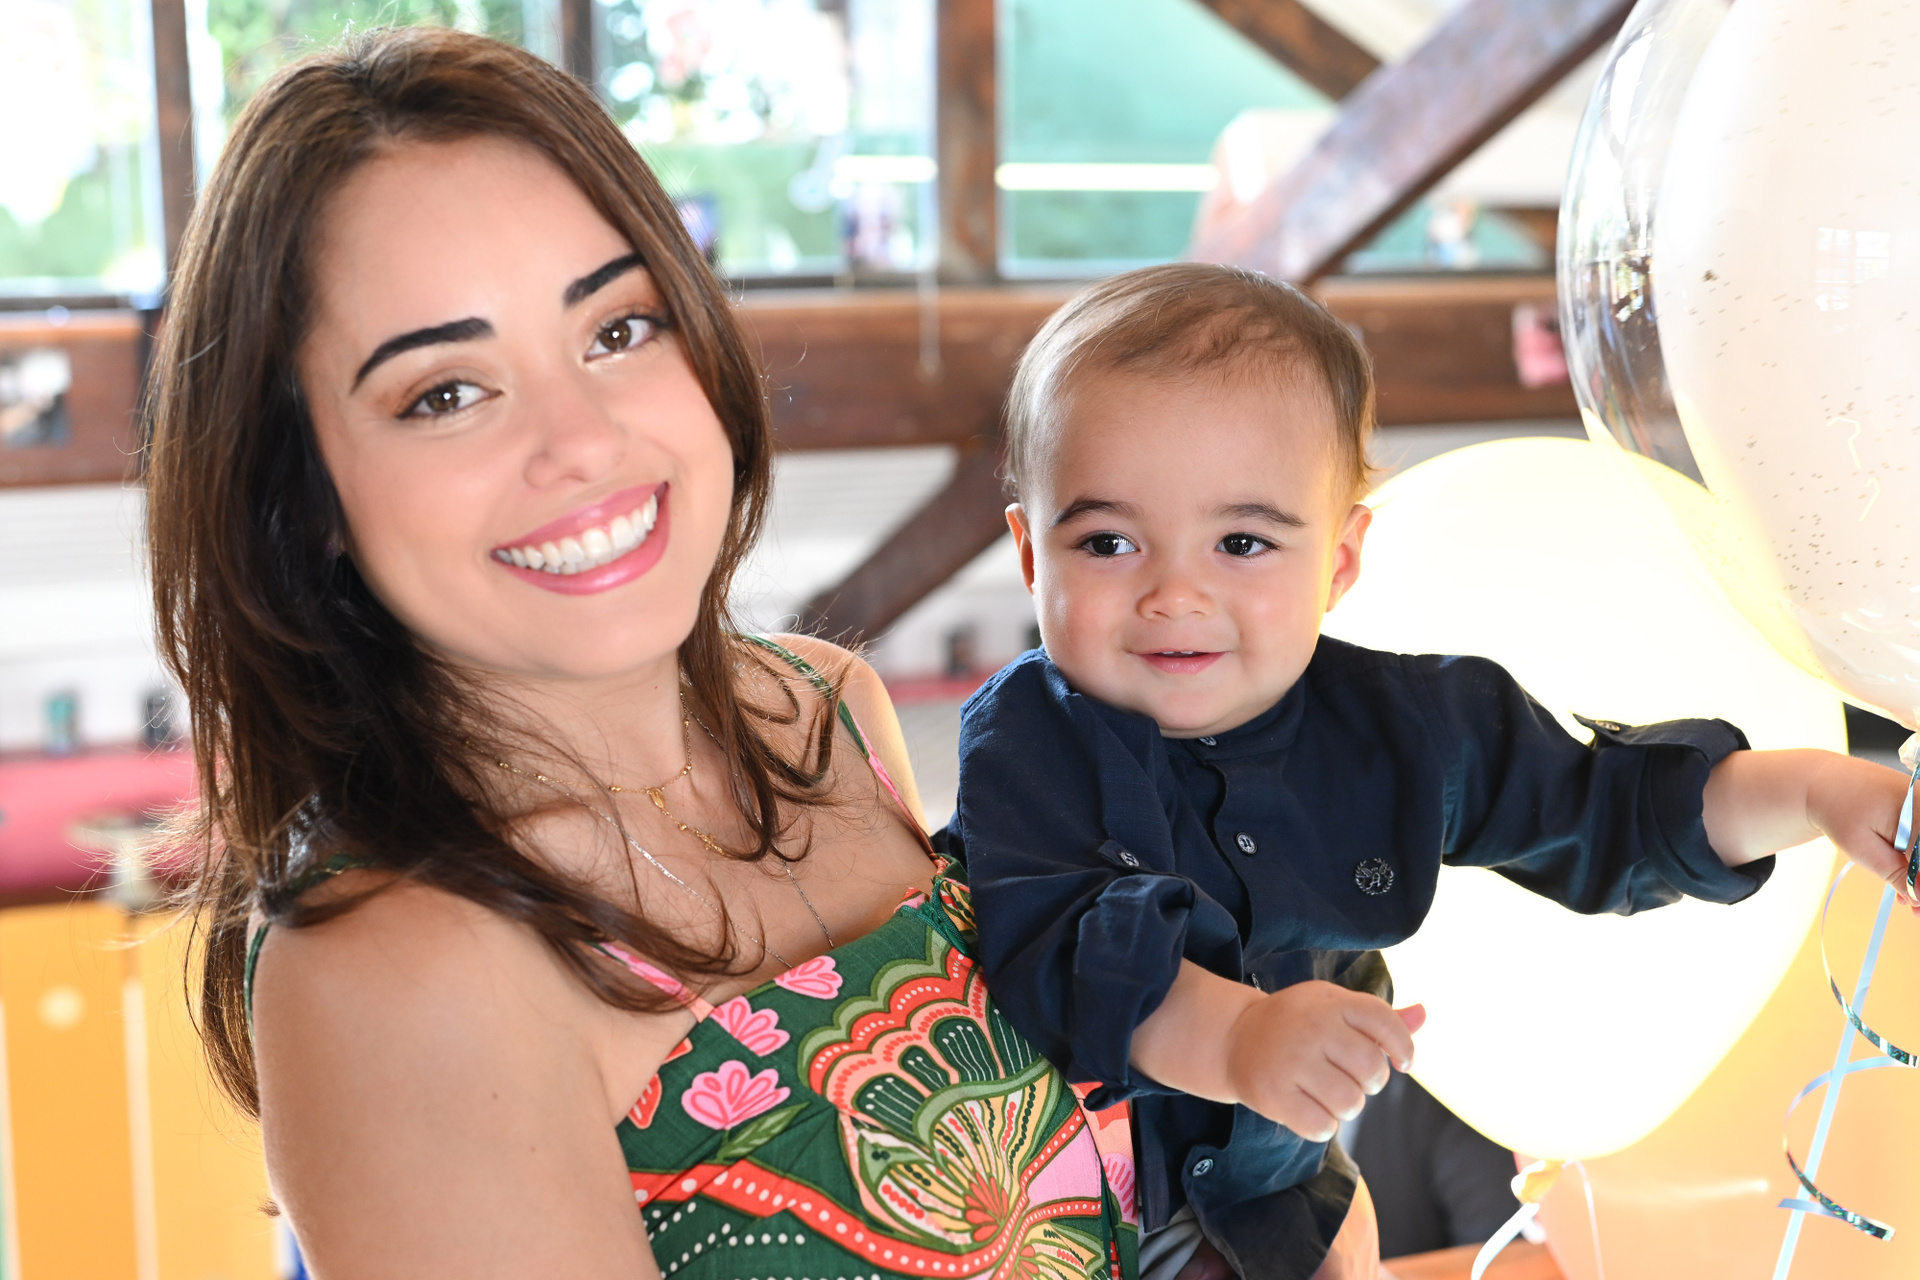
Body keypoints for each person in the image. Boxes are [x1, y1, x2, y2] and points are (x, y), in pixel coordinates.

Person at [143, 29, 1135, 1279]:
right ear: (305, 498)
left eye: (617, 329)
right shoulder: (395, 965)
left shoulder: (825, 710)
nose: (582, 439)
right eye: (446, 392)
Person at [948, 263, 1917, 1280]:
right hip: (1043, 1209)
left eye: (1241, 541)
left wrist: (1818, 790)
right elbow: (1063, 950)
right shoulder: (1027, 738)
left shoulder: (1401, 723)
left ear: (1339, 560)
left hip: (1274, 1208)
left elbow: (1610, 810)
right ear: (1030, 553)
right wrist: (1238, 1039)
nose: (1175, 594)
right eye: (1108, 542)